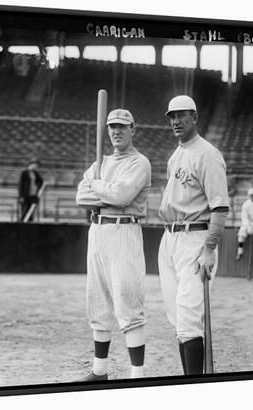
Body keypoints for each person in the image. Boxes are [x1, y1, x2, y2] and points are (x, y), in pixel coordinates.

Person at [75, 108, 151, 381]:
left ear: (133, 129)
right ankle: (99, 371)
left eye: (122, 126)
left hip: (124, 231)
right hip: (97, 230)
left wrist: (97, 186)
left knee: (127, 300)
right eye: (112, 127)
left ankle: (137, 375)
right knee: (97, 301)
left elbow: (122, 196)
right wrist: (102, 189)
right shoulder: (100, 162)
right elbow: (81, 197)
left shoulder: (139, 162)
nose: (116, 131)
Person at [157, 95, 229, 375]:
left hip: (195, 239)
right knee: (177, 320)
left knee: (188, 319)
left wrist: (209, 248)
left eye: (181, 115)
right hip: (170, 239)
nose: (175, 121)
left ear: (195, 117)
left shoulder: (208, 154)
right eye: (171, 116)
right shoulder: (176, 154)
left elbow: (220, 208)